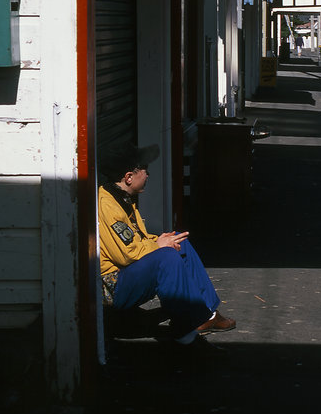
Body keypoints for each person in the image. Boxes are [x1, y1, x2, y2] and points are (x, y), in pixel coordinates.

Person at [98, 141, 236, 346]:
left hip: (127, 273)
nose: (147, 175)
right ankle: (186, 328)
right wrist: (159, 245)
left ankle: (208, 313)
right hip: (113, 286)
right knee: (167, 257)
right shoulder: (107, 204)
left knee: (180, 242)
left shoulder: (124, 197)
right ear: (128, 177)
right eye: (144, 170)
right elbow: (126, 254)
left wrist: (163, 240)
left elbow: (137, 240)